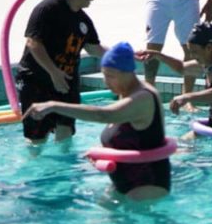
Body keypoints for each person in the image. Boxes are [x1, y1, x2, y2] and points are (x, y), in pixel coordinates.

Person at [24, 42, 170, 202]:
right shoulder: (125, 93)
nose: (106, 82)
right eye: (104, 75)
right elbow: (131, 140)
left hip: (147, 184)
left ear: (127, 73)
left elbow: (104, 115)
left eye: (110, 76)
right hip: (122, 183)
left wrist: (54, 106)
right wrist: (103, 154)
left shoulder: (143, 97)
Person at [17, 0, 106, 144]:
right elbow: (33, 43)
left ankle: (63, 170)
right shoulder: (47, 9)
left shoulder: (84, 20)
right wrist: (54, 72)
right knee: (37, 139)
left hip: (66, 83)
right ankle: (39, 171)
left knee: (65, 133)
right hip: (37, 80)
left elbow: (94, 49)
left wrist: (126, 55)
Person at [139, 23, 212, 133]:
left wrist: (187, 96)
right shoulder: (207, 63)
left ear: (209, 48)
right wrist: (157, 55)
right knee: (181, 147)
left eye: (195, 52)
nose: (192, 56)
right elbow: (182, 68)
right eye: (190, 51)